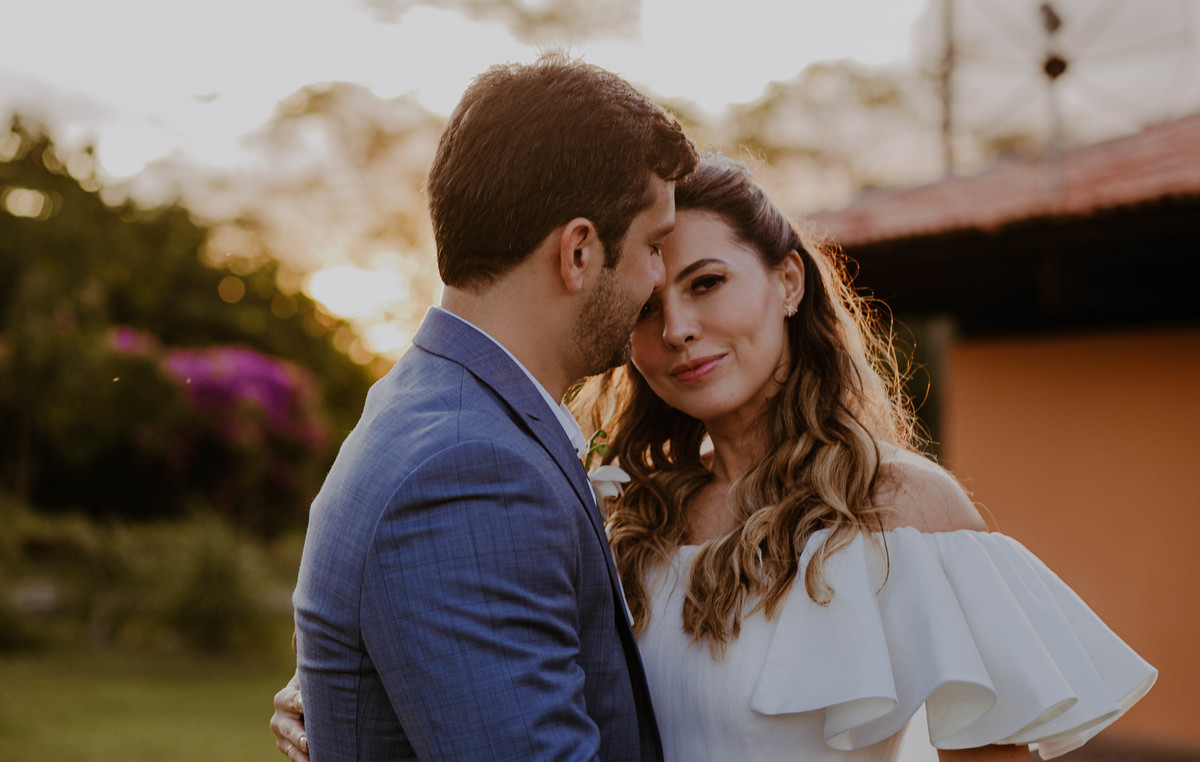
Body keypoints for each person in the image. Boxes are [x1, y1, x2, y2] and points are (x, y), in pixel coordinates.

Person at [275, 156, 1154, 761]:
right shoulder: (625, 516)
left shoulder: (906, 511)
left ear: (787, 280)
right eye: (652, 306)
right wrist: (357, 681)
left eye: (706, 284)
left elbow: (990, 755)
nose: (679, 330)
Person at [280, 51, 697, 762]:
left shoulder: (430, 404)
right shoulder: (470, 470)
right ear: (578, 253)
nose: (659, 281)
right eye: (654, 247)